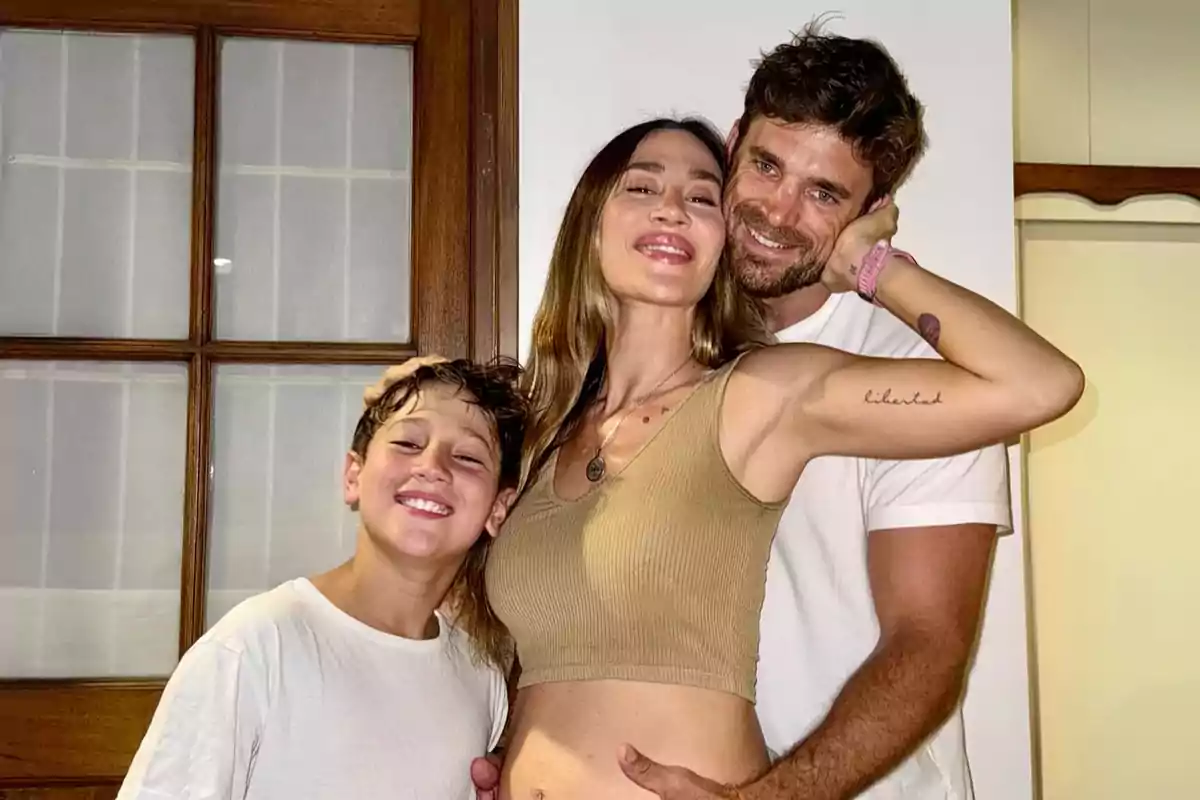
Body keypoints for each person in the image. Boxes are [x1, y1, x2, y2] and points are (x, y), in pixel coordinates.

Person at [469, 102, 1082, 797]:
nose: (671, 207)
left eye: (700, 196)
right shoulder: (546, 429)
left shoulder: (763, 394)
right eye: (641, 187)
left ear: (720, 234)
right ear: (591, 224)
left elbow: (1041, 384)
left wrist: (867, 264)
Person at [617, 28, 1016, 800]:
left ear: (874, 211)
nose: (777, 210)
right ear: (732, 144)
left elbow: (928, 645)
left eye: (824, 193)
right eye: (766, 165)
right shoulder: (662, 350)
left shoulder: (920, 372)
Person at [116, 358, 526, 800]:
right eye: (408, 442)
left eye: (466, 457)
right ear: (353, 475)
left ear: (497, 509)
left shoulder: (480, 678)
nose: (432, 466)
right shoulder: (255, 646)